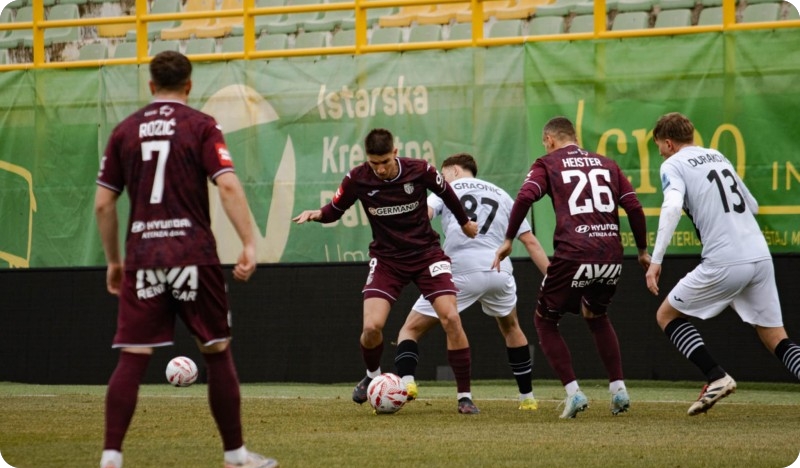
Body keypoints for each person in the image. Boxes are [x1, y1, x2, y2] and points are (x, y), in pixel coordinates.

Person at [94, 51, 278, 468]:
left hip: (143, 256)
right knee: (216, 350)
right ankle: (235, 455)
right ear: (190, 85)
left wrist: (114, 261)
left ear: (151, 85)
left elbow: (104, 204)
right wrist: (249, 243)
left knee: (133, 356)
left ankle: (111, 458)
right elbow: (227, 186)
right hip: (193, 255)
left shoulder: (125, 131)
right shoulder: (201, 126)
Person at [292, 128, 482, 414]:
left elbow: (447, 192)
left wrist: (465, 222)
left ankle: (464, 397)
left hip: (427, 255)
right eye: (374, 163)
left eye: (384, 162)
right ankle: (372, 376)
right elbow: (334, 210)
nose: (379, 169)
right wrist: (316, 214)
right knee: (371, 327)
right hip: (387, 260)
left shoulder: (420, 170)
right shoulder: (357, 178)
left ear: (395, 152)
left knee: (451, 317)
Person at [494, 116, 650, 419]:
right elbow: (633, 206)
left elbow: (525, 196)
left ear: (549, 139)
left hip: (574, 252)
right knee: (596, 314)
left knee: (545, 320)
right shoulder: (607, 163)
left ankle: (573, 393)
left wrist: (509, 238)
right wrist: (642, 251)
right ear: (575, 137)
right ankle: (619, 390)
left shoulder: (548, 162)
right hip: (610, 253)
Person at [646, 112, 800, 416]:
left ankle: (716, 376)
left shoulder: (672, 164)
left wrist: (656, 260)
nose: (660, 153)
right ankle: (716, 377)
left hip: (726, 259)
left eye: (660, 146)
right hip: (759, 255)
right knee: (776, 338)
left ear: (669, 143)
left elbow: (672, 206)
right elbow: (752, 204)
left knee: (666, 315)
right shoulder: (716, 155)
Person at [393, 153, 550, 411]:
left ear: (454, 171)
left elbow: (424, 214)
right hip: (499, 270)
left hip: (460, 269)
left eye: (443, 174)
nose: (441, 179)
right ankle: (528, 398)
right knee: (512, 328)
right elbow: (530, 241)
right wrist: (551, 278)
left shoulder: (446, 188)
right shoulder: (502, 194)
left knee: (409, 330)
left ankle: (407, 384)